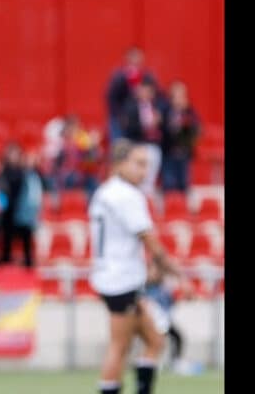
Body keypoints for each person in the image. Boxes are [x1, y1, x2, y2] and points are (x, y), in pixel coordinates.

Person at [88, 140, 183, 394]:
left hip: (115, 277)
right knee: (120, 346)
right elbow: (148, 238)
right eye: (139, 164)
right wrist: (174, 271)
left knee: (155, 340)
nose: (144, 171)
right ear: (120, 164)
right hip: (120, 280)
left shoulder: (105, 192)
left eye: (147, 165)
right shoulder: (126, 195)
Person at [120, 80, 164, 195]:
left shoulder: (158, 106)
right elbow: (128, 127)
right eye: (143, 91)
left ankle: (147, 195)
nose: (145, 94)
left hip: (154, 145)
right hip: (138, 145)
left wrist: (159, 122)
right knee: (136, 175)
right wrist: (146, 125)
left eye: (148, 91)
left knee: (149, 178)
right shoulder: (131, 107)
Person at [106, 47, 157, 142]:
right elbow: (111, 97)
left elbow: (155, 93)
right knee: (119, 144)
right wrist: (119, 115)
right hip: (120, 117)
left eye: (138, 58)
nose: (135, 61)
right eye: (133, 58)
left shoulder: (147, 75)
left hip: (138, 118)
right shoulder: (119, 76)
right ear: (127, 59)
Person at [159, 81, 200, 193]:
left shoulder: (189, 111)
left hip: (184, 153)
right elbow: (162, 129)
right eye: (176, 94)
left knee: (184, 184)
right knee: (168, 183)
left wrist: (185, 114)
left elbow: (196, 128)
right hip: (168, 152)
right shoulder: (165, 110)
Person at [12, 150, 45, 269]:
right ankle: (23, 261)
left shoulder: (36, 176)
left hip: (33, 213)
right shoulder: (22, 175)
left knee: (30, 238)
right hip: (23, 212)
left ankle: (29, 261)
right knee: (22, 238)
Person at [0, 143, 26, 265]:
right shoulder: (3, 171)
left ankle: (25, 260)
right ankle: (6, 259)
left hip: (20, 207)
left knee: (24, 234)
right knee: (7, 235)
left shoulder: (22, 171)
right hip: (7, 208)